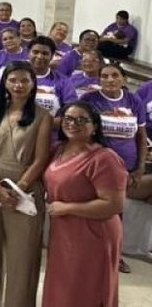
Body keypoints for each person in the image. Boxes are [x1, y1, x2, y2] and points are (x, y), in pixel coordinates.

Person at [0, 61, 52, 307]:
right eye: (13, 80)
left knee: (22, 258)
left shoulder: (42, 116)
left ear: (33, 84)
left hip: (25, 192)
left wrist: (18, 189)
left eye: (24, 80)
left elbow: (41, 158)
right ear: (5, 83)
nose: (19, 85)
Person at [42, 102, 127, 307]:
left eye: (82, 120)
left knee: (86, 289)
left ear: (94, 126)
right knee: (63, 287)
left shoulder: (105, 158)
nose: (73, 124)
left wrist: (67, 208)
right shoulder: (58, 149)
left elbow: (113, 205)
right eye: (69, 119)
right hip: (64, 231)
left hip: (94, 233)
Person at [80, 61, 151, 273]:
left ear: (124, 79)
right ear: (99, 79)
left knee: (114, 215)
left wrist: (140, 167)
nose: (110, 80)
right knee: (91, 210)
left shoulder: (133, 100)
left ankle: (114, 255)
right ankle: (86, 254)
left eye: (115, 76)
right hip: (96, 166)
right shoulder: (89, 100)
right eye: (105, 76)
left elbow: (141, 136)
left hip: (126, 167)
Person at [27, 36, 76, 116]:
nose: (39, 56)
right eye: (35, 52)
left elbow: (71, 110)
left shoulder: (63, 81)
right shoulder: (17, 77)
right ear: (28, 53)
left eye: (45, 53)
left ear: (52, 56)